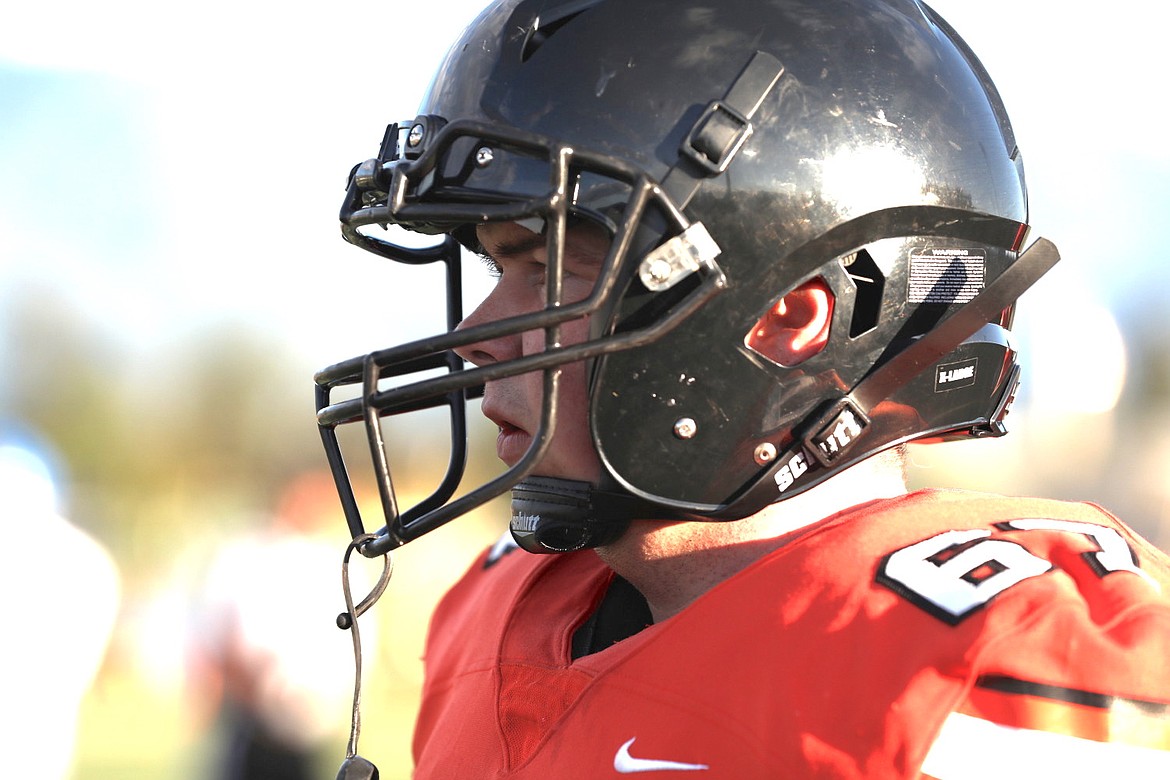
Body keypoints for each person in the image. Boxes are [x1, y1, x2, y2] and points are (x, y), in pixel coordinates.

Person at [314, 0, 1170, 776]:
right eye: (495, 263)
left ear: (788, 315)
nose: (474, 337)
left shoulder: (987, 678)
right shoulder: (494, 611)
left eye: (545, 266)